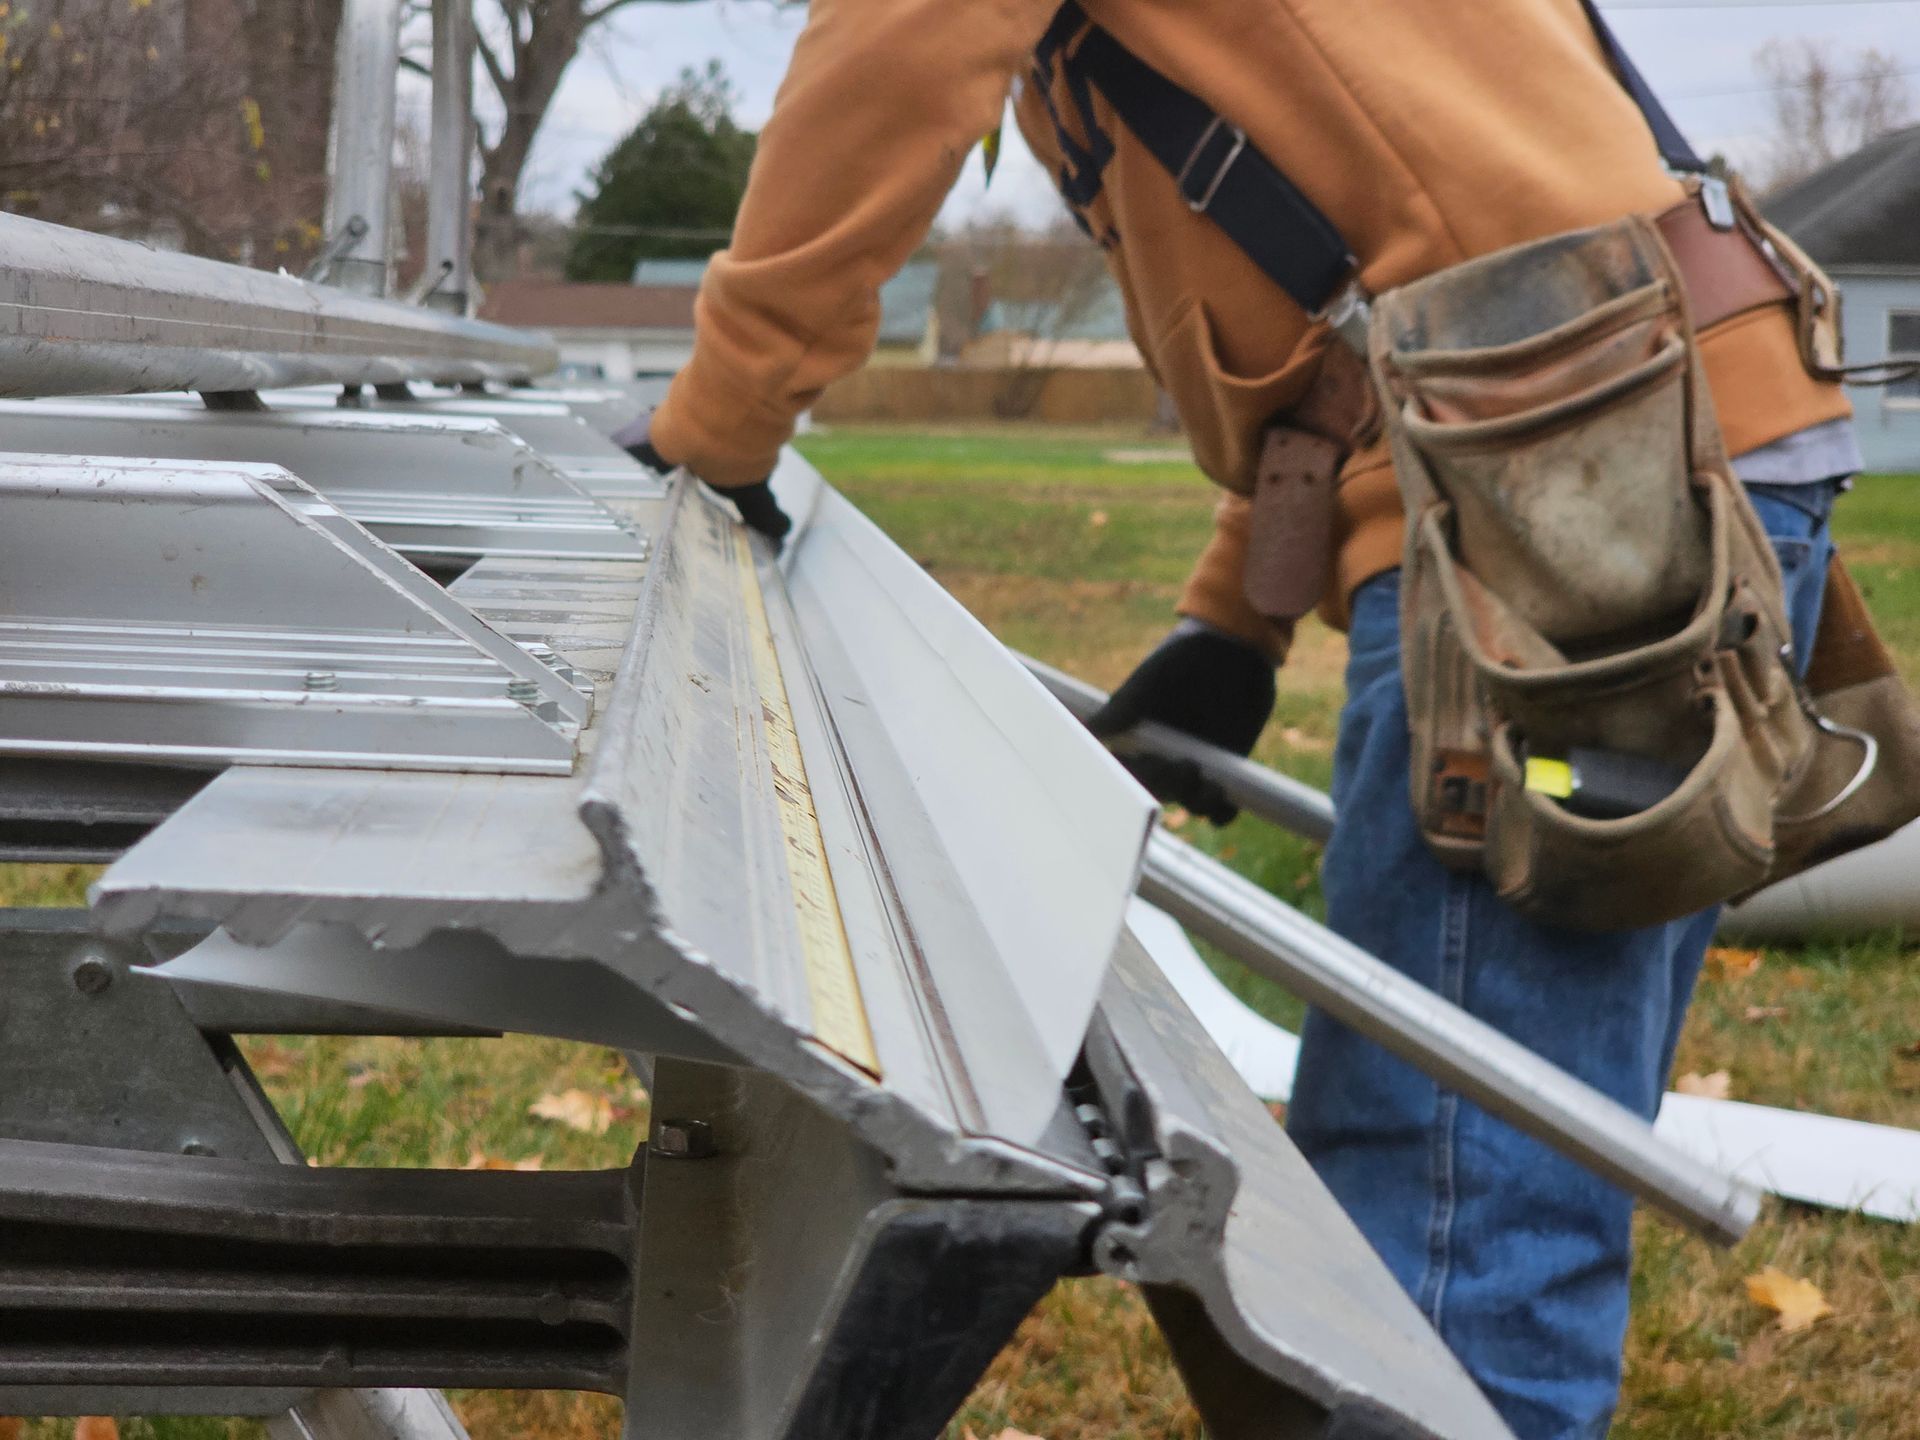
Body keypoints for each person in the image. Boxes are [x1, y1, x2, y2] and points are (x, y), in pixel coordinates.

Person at [629, 2, 1863, 1434]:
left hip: (1574, 459)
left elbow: (898, 46)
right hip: (1624, 418)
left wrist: (714, 427)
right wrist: (1237, 614)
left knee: (1454, 1208)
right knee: (1510, 1142)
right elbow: (1369, 276)